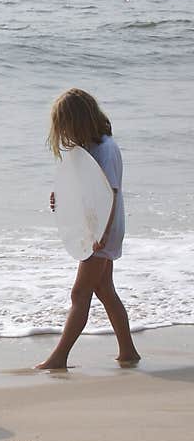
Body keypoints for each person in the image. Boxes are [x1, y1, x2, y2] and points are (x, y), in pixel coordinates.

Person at [37, 88, 141, 369]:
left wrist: (102, 236)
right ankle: (128, 351)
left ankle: (59, 357)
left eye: (67, 125)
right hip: (98, 228)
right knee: (105, 289)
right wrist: (62, 196)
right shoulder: (90, 148)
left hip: (101, 230)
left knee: (79, 294)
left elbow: (109, 194)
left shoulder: (105, 148)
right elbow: (84, 187)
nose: (65, 133)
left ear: (79, 121)